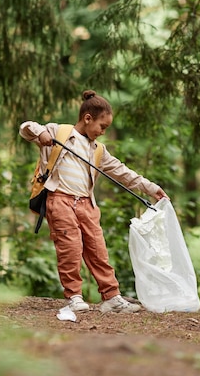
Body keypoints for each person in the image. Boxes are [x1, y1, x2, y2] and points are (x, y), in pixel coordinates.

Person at [19, 89, 168, 313]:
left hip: (86, 204)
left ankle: (111, 297)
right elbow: (26, 127)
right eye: (102, 126)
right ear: (87, 118)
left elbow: (123, 172)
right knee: (70, 247)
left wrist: (152, 188)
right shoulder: (59, 132)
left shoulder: (98, 150)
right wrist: (40, 133)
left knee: (98, 249)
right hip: (60, 200)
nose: (102, 132)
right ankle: (74, 296)